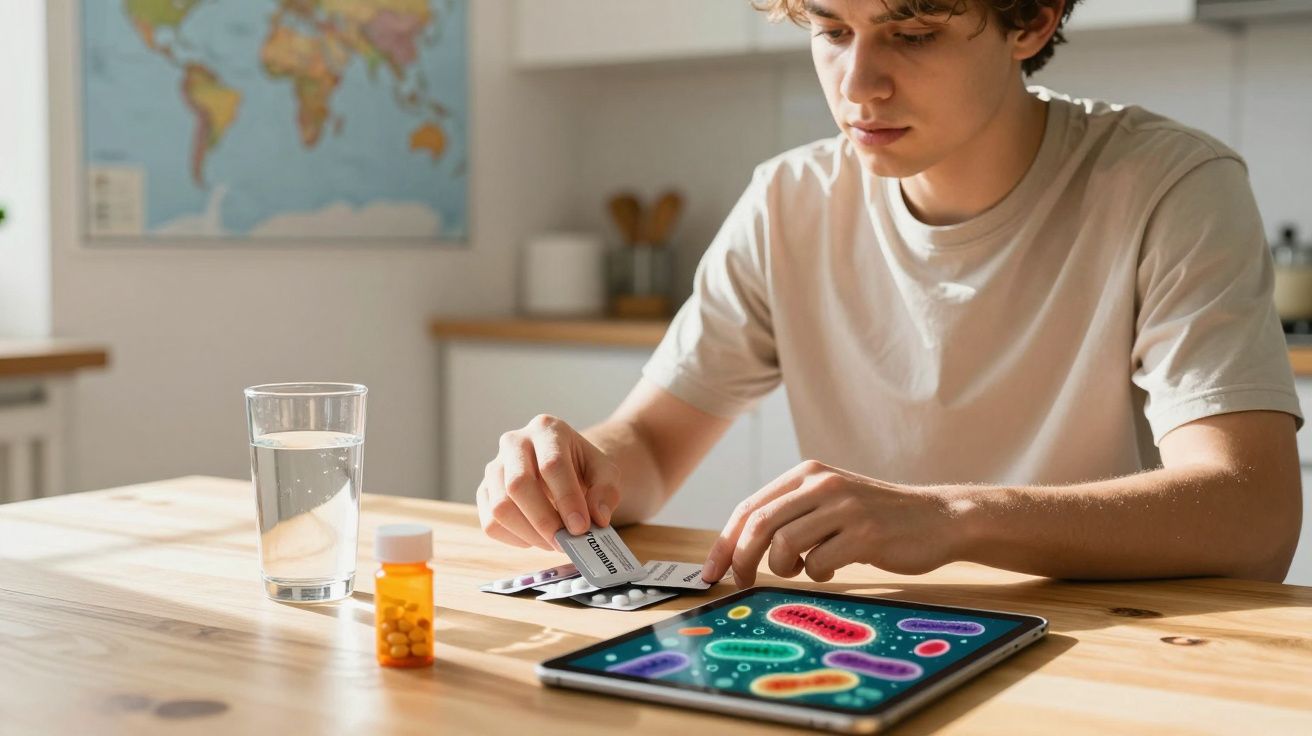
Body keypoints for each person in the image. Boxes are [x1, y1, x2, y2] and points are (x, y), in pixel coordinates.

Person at [476, 0, 1304, 585]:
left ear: (1033, 19)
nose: (858, 84)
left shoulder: (1169, 185)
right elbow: (652, 448)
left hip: (1098, 646)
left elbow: (1254, 513)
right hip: (876, 646)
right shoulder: (786, 201)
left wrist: (951, 516)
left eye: (911, 32)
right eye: (833, 30)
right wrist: (578, 470)